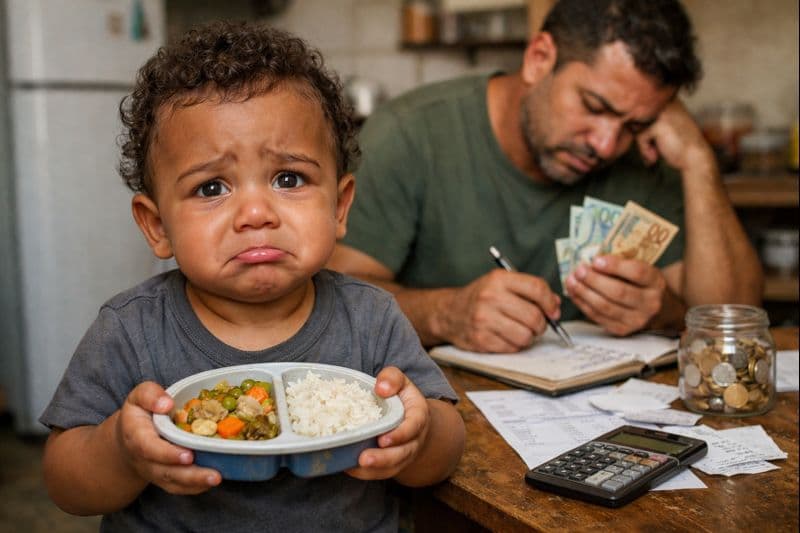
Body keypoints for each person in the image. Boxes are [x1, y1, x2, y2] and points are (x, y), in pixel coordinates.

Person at [39, 22, 465, 532]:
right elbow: (66, 485)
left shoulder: (371, 317)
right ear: (157, 227)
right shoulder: (130, 330)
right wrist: (119, 452)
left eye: (289, 179)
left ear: (340, 205)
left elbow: (446, 448)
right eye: (211, 187)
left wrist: (418, 436)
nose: (256, 213)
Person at [329, 0, 763, 354]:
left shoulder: (645, 153)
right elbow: (334, 296)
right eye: (595, 106)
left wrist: (697, 158)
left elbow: (735, 319)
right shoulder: (411, 133)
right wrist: (444, 313)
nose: (607, 144)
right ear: (539, 59)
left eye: (632, 124)